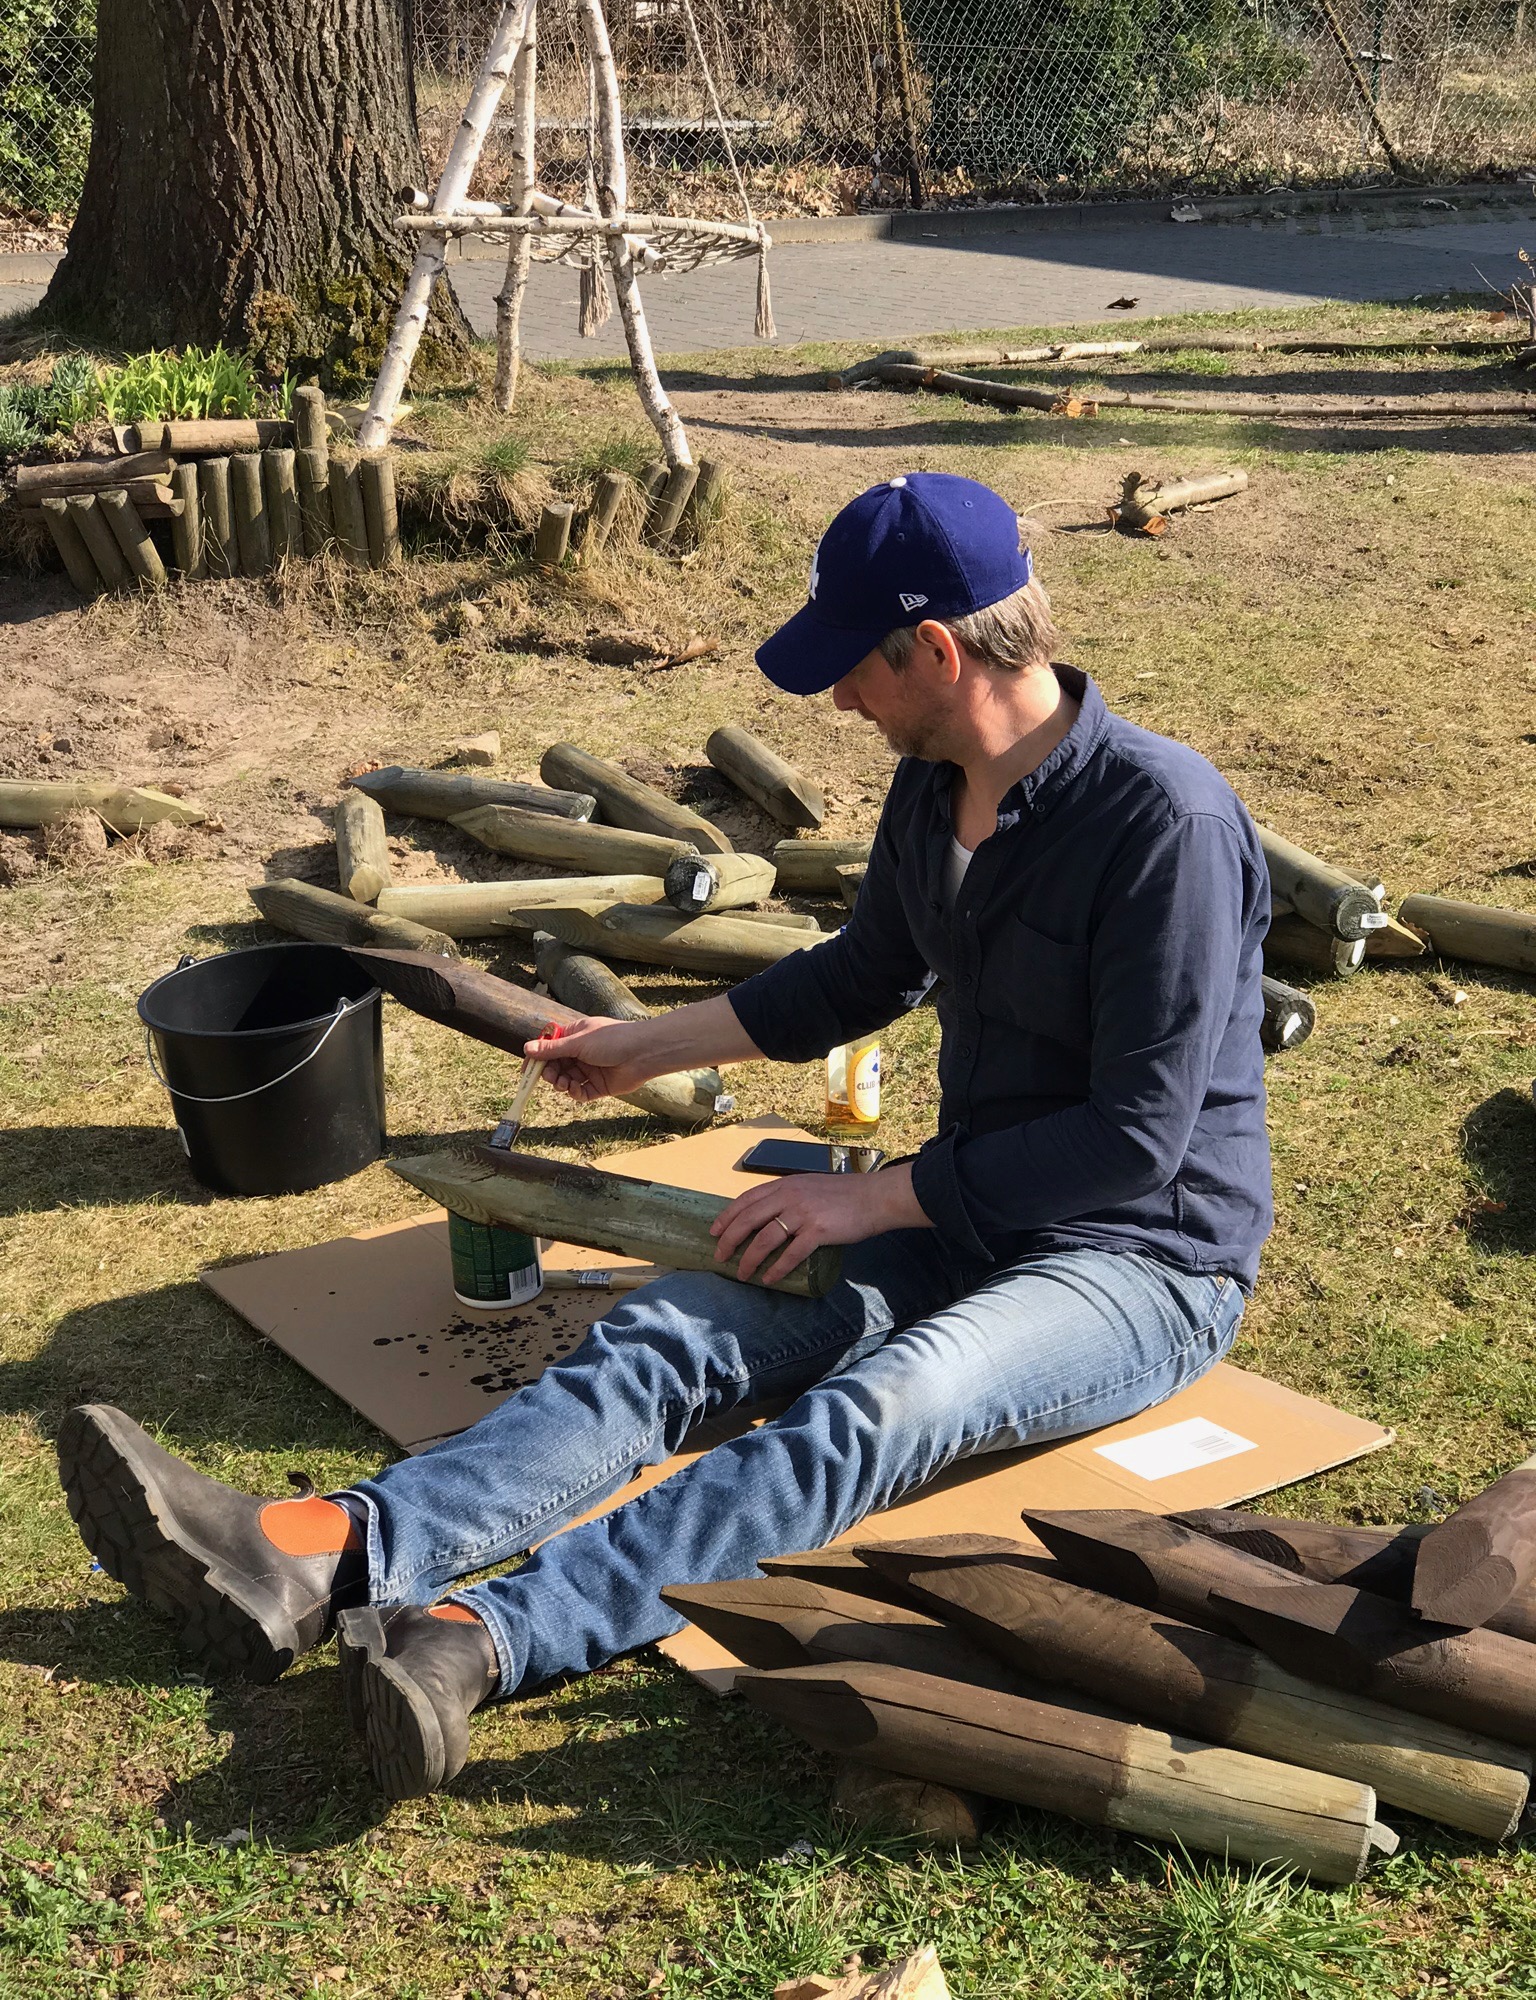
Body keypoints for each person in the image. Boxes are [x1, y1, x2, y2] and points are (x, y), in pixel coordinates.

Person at [58, 472, 1272, 1801]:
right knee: (667, 1336)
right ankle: (312, 1553)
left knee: (883, 1406)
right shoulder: (937, 791)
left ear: (935, 649)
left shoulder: (1167, 825)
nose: (837, 700)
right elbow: (862, 974)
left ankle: (478, 1639)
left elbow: (1133, 1142)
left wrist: (873, 1200)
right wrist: (638, 1047)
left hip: (1139, 1261)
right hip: (965, 1212)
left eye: (851, 668)